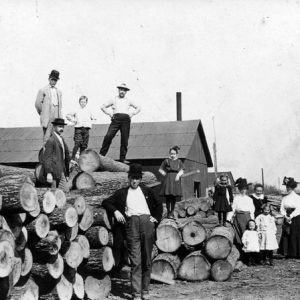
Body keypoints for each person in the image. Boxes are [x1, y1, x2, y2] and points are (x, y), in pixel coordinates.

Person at [102, 163, 162, 300]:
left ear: (140, 179)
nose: (134, 181)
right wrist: (116, 211)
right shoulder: (122, 193)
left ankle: (145, 290)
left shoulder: (147, 191)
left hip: (147, 224)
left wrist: (156, 219)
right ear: (128, 178)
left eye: (137, 178)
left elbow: (159, 204)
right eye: (132, 178)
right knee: (135, 261)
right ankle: (135, 293)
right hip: (131, 225)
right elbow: (106, 202)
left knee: (147, 259)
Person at [100, 83, 141, 163]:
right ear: (118, 90)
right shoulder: (113, 99)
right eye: (121, 90)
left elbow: (138, 107)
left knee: (124, 139)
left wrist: (132, 113)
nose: (122, 91)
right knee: (108, 136)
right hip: (116, 119)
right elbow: (103, 107)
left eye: (124, 90)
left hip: (126, 119)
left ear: (126, 92)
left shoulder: (129, 100)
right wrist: (110, 114)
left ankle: (122, 158)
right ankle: (101, 155)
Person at [40, 118, 70, 189]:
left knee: (61, 193)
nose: (61, 128)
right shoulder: (51, 140)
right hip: (54, 171)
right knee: (55, 192)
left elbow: (64, 155)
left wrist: (67, 173)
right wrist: (49, 173)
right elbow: (47, 158)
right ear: (54, 127)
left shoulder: (61, 139)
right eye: (59, 126)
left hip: (62, 170)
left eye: (62, 127)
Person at [35, 70, 63, 145]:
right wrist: (43, 113)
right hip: (47, 116)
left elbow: (60, 105)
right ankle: (46, 154)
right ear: (49, 79)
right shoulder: (43, 90)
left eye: (55, 80)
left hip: (57, 116)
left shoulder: (59, 92)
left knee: (57, 136)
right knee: (47, 137)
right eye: (52, 79)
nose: (53, 81)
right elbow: (38, 104)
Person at [66, 95, 96, 162]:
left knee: (84, 145)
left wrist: (90, 123)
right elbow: (68, 115)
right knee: (77, 143)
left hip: (86, 129)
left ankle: (81, 159)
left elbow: (94, 118)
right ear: (79, 102)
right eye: (81, 102)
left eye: (84, 102)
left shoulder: (89, 110)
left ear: (86, 102)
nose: (83, 103)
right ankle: (73, 158)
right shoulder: (76, 109)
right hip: (78, 129)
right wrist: (73, 120)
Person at [159, 146, 184, 219]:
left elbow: (182, 170)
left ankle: (172, 212)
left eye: (174, 154)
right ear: (169, 153)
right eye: (171, 153)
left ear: (176, 154)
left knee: (173, 197)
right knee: (168, 197)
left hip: (175, 179)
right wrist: (164, 173)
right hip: (168, 179)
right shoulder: (166, 161)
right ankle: (168, 212)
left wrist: (178, 175)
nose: (172, 155)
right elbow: (160, 169)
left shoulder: (179, 161)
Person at [278, 177, 300, 258]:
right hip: (287, 215)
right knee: (287, 233)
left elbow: (299, 208)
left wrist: (291, 216)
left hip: (296, 217)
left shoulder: (297, 197)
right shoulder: (284, 198)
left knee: (295, 233)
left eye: (290, 187)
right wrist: (285, 216)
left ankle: (296, 253)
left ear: (293, 187)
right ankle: (287, 253)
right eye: (287, 187)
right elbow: (282, 209)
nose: (288, 189)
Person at [231, 178, 255, 248]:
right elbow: (232, 209)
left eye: (245, 189)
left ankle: (249, 250)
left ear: (247, 189)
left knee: (248, 233)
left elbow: (252, 210)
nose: (243, 191)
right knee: (239, 234)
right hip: (239, 217)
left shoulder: (249, 199)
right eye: (241, 189)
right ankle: (241, 250)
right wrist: (229, 219)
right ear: (239, 189)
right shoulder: (236, 198)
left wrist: (252, 220)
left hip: (247, 217)